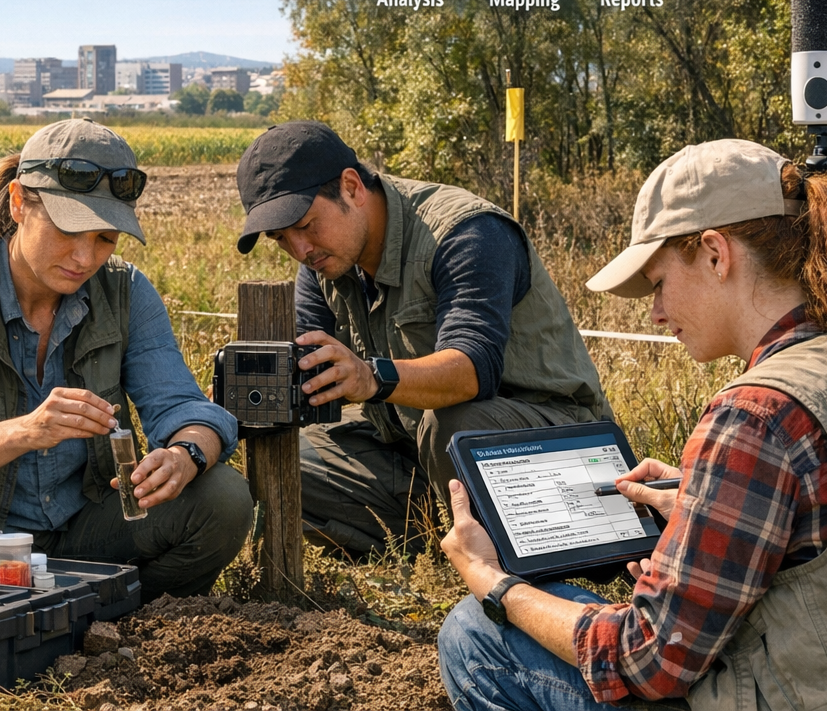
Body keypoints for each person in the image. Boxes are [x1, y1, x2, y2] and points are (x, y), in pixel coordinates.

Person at [437, 138, 827, 710]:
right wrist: (709, 500)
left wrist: (494, 581)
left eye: (657, 283)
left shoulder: (757, 413)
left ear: (715, 253)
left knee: (477, 636)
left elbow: (647, 661)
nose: (653, 312)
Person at [0, 118, 252, 600]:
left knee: (222, 497)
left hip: (78, 532)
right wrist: (25, 431)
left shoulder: (124, 291)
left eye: (105, 238)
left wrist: (185, 455)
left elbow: (183, 407)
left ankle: (126, 624)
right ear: (19, 203)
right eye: (68, 228)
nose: (84, 256)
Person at [234, 121, 611, 557]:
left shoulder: (466, 232)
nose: (300, 250)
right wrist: (250, 399)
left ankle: (512, 561)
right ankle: (438, 540)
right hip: (418, 451)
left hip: (559, 451)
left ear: (351, 187)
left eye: (306, 225)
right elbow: (306, 371)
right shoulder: (323, 264)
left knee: (452, 423)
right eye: (282, 239)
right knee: (284, 454)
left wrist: (370, 378)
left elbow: (473, 370)